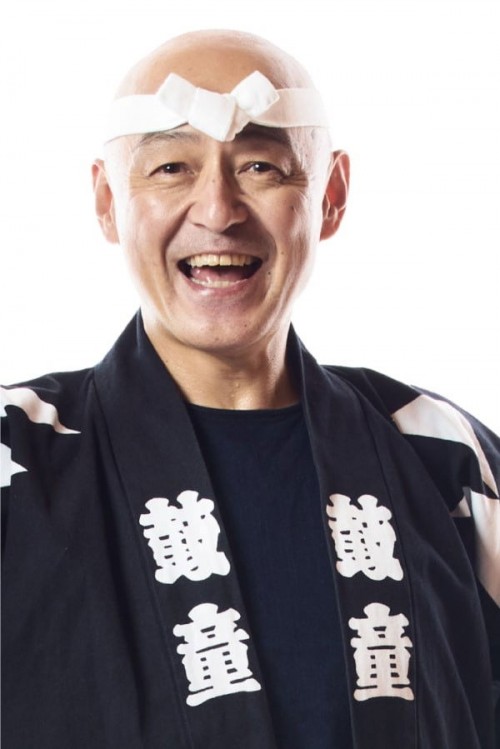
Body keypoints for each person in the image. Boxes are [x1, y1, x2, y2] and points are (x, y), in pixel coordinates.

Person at [1, 29, 498, 749]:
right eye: (171, 167)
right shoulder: (18, 454)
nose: (218, 209)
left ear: (330, 196)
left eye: (262, 166)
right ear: (108, 201)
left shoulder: (442, 455)